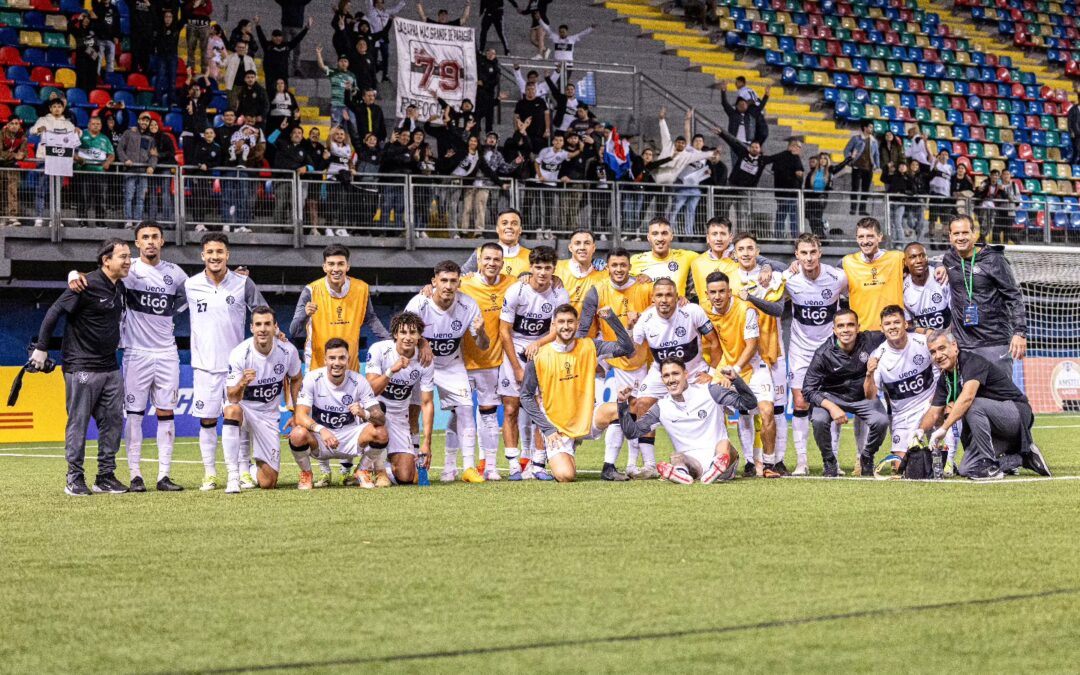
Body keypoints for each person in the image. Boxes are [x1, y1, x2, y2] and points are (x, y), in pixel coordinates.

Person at [67, 223, 187, 491]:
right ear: (137, 243)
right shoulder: (127, 267)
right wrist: (73, 274)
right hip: (136, 353)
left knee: (167, 413)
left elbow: (196, 292)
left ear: (163, 241)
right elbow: (95, 275)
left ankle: (163, 476)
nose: (151, 242)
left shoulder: (175, 274)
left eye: (155, 237)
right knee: (134, 414)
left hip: (167, 352)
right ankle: (136, 475)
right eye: (145, 237)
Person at [32, 239, 131, 496]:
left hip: (110, 367)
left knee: (113, 422)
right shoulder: (84, 285)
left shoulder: (118, 287)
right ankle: (74, 478)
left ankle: (105, 476)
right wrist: (42, 348)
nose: (128, 260)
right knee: (78, 422)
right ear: (106, 260)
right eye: (123, 256)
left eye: (129, 255)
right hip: (81, 367)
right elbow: (54, 311)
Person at [186, 234, 268, 491]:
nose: (215, 257)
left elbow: (262, 312)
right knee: (208, 420)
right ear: (203, 255)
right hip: (204, 366)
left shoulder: (243, 283)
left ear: (227, 255)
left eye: (219, 252)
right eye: (210, 252)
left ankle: (244, 472)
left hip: (236, 367)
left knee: (239, 419)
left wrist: (279, 335)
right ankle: (210, 473)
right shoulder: (190, 285)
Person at [519, 304, 634, 482]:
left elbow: (626, 347)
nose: (566, 326)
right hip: (558, 428)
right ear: (554, 325)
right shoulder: (539, 356)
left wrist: (611, 318)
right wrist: (548, 429)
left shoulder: (590, 346)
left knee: (618, 409)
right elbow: (525, 396)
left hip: (587, 418)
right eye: (562, 322)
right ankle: (565, 452)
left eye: (570, 322)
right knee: (566, 476)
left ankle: (609, 467)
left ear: (577, 324)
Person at [916, 330, 1051, 480]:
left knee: (972, 404)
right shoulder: (945, 378)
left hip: (1016, 415)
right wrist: (920, 431)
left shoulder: (971, 362)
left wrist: (943, 428)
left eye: (942, 348)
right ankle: (1023, 458)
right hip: (993, 427)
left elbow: (967, 398)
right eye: (933, 352)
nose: (938, 355)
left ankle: (990, 466)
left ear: (954, 346)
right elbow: (934, 412)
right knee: (967, 468)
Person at [405, 261, 489, 483]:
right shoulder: (419, 304)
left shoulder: (468, 305)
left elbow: (482, 345)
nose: (448, 285)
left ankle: (469, 468)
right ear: (434, 282)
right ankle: (415, 463)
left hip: (451, 364)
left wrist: (480, 333)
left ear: (459, 283)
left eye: (453, 281)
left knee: (465, 410)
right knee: (413, 411)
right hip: (419, 363)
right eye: (444, 280)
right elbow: (402, 337)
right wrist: (421, 342)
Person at [630, 277, 721, 477]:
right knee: (641, 404)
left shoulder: (692, 312)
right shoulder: (645, 320)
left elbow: (714, 343)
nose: (664, 300)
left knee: (715, 403)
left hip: (694, 371)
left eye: (669, 295)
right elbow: (633, 352)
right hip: (661, 372)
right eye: (659, 295)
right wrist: (627, 329)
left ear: (677, 297)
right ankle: (649, 465)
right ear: (652, 298)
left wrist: (712, 373)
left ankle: (717, 457)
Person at [576, 247, 654, 480]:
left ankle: (635, 464)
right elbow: (583, 330)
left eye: (623, 265)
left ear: (630, 267)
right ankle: (608, 462)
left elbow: (664, 304)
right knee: (618, 413)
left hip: (641, 361)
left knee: (638, 411)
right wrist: (592, 360)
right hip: (612, 361)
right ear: (607, 267)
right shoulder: (597, 291)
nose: (619, 269)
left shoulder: (645, 287)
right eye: (614, 265)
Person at [618, 358, 757, 484]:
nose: (671, 379)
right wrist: (622, 403)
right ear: (662, 379)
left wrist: (736, 380)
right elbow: (632, 432)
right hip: (693, 464)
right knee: (676, 457)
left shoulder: (710, 392)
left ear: (686, 374)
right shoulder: (661, 407)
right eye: (666, 376)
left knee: (725, 444)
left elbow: (749, 403)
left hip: (723, 458)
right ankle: (682, 474)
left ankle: (709, 469)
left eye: (675, 373)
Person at [498, 246, 570, 480]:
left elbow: (558, 329)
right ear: (530, 268)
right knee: (510, 408)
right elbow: (504, 331)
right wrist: (518, 368)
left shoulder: (560, 294)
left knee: (542, 410)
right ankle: (513, 464)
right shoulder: (516, 291)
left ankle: (538, 463)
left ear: (553, 269)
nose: (542, 272)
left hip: (544, 351)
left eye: (547, 268)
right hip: (515, 350)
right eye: (538, 267)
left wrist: (538, 344)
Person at [701, 270, 779, 478]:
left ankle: (769, 464)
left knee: (766, 411)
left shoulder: (746, 310)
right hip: (726, 366)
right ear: (706, 294)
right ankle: (744, 462)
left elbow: (752, 345)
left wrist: (733, 372)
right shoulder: (705, 311)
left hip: (752, 367)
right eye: (713, 292)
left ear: (729, 292)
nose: (717, 296)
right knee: (725, 411)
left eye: (721, 291)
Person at [288, 338, 388, 489]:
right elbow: (300, 415)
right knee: (297, 434)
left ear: (348, 359)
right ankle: (306, 473)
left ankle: (362, 470)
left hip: (350, 438)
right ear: (325, 360)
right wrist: (321, 429)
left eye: (342, 358)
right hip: (321, 440)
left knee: (381, 432)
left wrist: (365, 414)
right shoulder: (312, 379)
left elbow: (380, 417)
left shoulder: (359, 381)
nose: (337, 363)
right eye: (332, 358)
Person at [223, 307, 302, 492]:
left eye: (267, 324)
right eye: (258, 324)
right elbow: (232, 396)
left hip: (267, 415)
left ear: (275, 327)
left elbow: (296, 378)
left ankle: (249, 470)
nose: (263, 329)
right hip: (243, 408)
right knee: (231, 410)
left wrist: (297, 412)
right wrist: (242, 382)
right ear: (251, 328)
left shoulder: (287, 351)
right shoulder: (240, 353)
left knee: (268, 483)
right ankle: (233, 475)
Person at [801, 309, 889, 477]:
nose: (846, 330)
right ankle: (829, 461)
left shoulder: (870, 339)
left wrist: (925, 332)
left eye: (850, 325)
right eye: (840, 326)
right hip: (831, 397)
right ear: (834, 330)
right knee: (818, 420)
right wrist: (832, 407)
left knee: (881, 421)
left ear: (858, 327)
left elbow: (896, 334)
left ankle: (867, 456)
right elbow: (808, 389)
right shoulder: (823, 353)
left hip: (862, 396)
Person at [457, 243, 518, 480]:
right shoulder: (464, 284)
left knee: (489, 413)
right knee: (458, 415)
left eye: (496, 260)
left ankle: (491, 467)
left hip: (493, 361)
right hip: (462, 361)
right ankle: (454, 467)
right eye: (487, 259)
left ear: (502, 263)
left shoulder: (512, 284)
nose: (492, 263)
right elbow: (439, 289)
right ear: (479, 261)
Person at [939, 215, 1027, 376]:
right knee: (969, 398)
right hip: (963, 344)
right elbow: (940, 262)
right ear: (950, 237)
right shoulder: (949, 259)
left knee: (1000, 396)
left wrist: (1019, 332)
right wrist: (940, 266)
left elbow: (1014, 297)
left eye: (965, 233)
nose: (961, 238)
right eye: (956, 234)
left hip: (994, 341)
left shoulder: (994, 260)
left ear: (974, 234)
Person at [864, 306, 942, 465]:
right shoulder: (878, 356)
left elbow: (944, 367)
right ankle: (920, 457)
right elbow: (870, 396)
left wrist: (941, 396)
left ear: (905, 324)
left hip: (932, 404)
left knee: (940, 458)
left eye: (896, 322)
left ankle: (943, 458)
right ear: (882, 328)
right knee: (899, 466)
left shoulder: (923, 342)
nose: (892, 327)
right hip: (903, 414)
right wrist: (869, 374)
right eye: (887, 324)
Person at [366, 311, 436, 486]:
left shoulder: (424, 359)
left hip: (398, 419)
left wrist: (426, 443)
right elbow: (370, 391)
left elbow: (426, 403)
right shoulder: (379, 350)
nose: (407, 337)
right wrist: (391, 371)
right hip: (370, 415)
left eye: (413, 333)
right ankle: (375, 470)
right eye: (403, 332)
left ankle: (385, 467)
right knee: (378, 407)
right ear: (395, 334)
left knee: (406, 477)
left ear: (420, 336)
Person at [841, 217, 904, 331]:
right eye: (861, 237)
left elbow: (922, 261)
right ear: (856, 238)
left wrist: (939, 266)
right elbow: (824, 272)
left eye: (870, 236)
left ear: (880, 237)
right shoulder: (847, 262)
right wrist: (798, 264)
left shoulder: (897, 258)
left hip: (893, 331)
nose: (865, 241)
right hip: (862, 333)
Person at [629, 217, 699, 297]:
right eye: (655, 234)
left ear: (671, 236)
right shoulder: (634, 261)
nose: (660, 239)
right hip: (646, 308)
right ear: (648, 237)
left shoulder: (687, 257)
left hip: (677, 307)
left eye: (664, 233)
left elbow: (710, 261)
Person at [462, 208, 531, 276]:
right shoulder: (480, 253)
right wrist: (468, 277)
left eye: (514, 224)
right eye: (504, 223)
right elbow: (461, 277)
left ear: (520, 229)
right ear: (497, 229)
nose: (509, 226)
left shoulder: (530, 256)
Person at [117, 113, 157, 229]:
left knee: (140, 198)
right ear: (138, 120)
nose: (144, 123)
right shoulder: (129, 133)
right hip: (130, 170)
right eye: (142, 120)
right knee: (129, 196)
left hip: (143, 172)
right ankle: (128, 221)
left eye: (147, 121)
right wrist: (125, 160)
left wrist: (152, 166)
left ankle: (138, 221)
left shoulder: (151, 138)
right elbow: (120, 148)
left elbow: (154, 155)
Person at [75, 115, 114, 226]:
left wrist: (108, 162)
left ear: (101, 126)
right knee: (83, 197)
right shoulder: (81, 135)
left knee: (101, 198)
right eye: (93, 124)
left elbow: (111, 154)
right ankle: (82, 221)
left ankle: (100, 222)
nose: (96, 126)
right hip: (84, 172)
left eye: (98, 124)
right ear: (88, 125)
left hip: (100, 172)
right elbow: (71, 149)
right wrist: (77, 157)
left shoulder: (104, 138)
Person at [903, 242, 951, 331]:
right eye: (913, 257)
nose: (919, 260)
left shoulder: (941, 276)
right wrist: (924, 332)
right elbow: (908, 324)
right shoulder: (903, 289)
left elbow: (956, 312)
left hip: (949, 335)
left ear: (927, 258)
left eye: (922, 255)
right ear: (905, 262)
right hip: (923, 339)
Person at [256, 15, 313, 90]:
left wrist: (306, 28)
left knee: (284, 92)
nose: (277, 38)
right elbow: (261, 36)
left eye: (279, 36)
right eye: (275, 36)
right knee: (271, 92)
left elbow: (297, 39)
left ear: (282, 37)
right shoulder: (267, 46)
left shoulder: (286, 46)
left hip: (283, 74)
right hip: (270, 75)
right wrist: (257, 25)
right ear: (272, 37)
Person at [554, 230, 604, 312]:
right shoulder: (556, 269)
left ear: (594, 248)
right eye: (577, 243)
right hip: (562, 324)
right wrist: (525, 275)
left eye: (587, 243)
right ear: (570, 247)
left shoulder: (604, 273)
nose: (582, 247)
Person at [316, 46, 359, 139]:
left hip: (349, 106)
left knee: (352, 129)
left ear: (348, 63)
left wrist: (351, 89)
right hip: (336, 106)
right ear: (338, 62)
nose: (343, 63)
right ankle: (330, 149)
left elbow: (355, 91)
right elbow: (321, 66)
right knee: (334, 129)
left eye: (345, 61)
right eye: (341, 61)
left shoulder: (352, 75)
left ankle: (350, 152)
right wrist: (318, 53)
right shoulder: (333, 72)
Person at [843, 120, 880, 216]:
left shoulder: (874, 141)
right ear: (865, 128)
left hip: (868, 168)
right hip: (857, 166)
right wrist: (849, 159)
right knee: (855, 188)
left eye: (872, 127)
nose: (871, 129)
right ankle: (853, 208)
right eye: (870, 127)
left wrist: (877, 166)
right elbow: (846, 150)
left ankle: (862, 209)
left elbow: (876, 155)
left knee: (865, 189)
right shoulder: (856, 139)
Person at [273, 0, 316, 76]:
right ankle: (286, 68)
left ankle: (296, 69)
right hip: (286, 26)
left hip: (297, 26)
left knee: (297, 49)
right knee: (285, 49)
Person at [0, 117, 26, 227]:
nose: (15, 125)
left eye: (17, 123)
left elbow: (23, 153)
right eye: (12, 123)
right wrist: (15, 155)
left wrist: (21, 155)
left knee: (13, 192)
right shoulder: (1, 134)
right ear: (8, 125)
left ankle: (12, 217)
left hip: (12, 167)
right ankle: (1, 217)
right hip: (0, 167)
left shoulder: (22, 137)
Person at [183, 0, 214, 74]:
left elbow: (209, 11)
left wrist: (203, 3)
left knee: (204, 49)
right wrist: (193, 4)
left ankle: (204, 71)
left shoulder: (207, 1)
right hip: (192, 24)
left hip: (204, 25)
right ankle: (191, 70)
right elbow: (186, 9)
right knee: (190, 47)